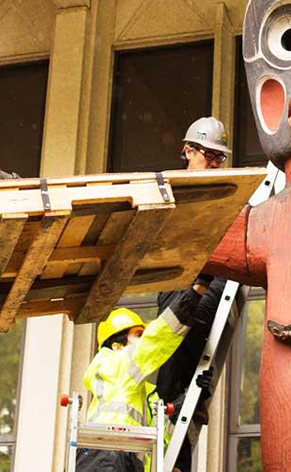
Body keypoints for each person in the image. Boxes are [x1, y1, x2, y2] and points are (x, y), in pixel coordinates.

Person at [155, 116, 231, 472]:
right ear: (188, 151)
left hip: (207, 283)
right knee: (170, 380)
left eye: (220, 158)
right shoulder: (171, 194)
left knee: (182, 369)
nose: (215, 163)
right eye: (209, 155)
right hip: (174, 281)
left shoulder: (229, 195)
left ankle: (186, 401)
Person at [78, 280, 208, 472]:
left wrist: (194, 397)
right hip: (107, 456)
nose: (143, 340)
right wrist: (196, 292)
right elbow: (157, 338)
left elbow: (165, 439)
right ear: (117, 346)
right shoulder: (113, 364)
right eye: (138, 335)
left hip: (123, 461)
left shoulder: (143, 394)